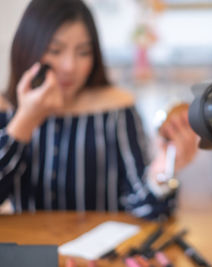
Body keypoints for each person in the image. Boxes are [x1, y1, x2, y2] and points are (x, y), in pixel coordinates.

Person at [0, 0, 198, 220]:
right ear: (27, 48)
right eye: (55, 50)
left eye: (83, 52)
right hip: (29, 250)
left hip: (103, 251)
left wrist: (162, 173)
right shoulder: (5, 109)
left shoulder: (116, 109)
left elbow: (146, 208)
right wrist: (25, 121)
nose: (70, 66)